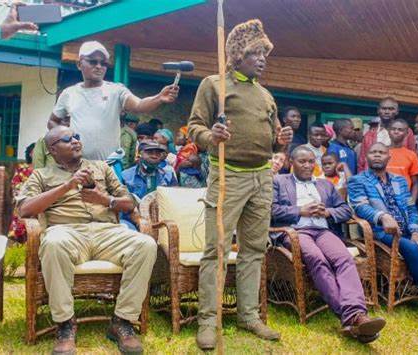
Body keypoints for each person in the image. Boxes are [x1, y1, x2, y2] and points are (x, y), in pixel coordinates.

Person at [188, 19, 293, 350]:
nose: (262, 58)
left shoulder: (265, 95)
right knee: (216, 249)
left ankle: (248, 316)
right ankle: (208, 319)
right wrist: (210, 135)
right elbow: (194, 127)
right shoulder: (214, 85)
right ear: (236, 54)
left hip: (262, 178)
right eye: (255, 52)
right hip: (227, 175)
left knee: (254, 250)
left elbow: (274, 140)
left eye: (265, 53)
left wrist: (281, 140)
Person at [16, 126, 158, 355]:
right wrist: (67, 186)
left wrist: (105, 199)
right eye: (67, 139)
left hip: (107, 232)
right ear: (52, 149)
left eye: (77, 137)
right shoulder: (41, 175)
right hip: (66, 231)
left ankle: (122, 321)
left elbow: (130, 204)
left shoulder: (102, 168)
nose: (75, 141)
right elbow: (24, 209)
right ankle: (65, 324)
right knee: (53, 244)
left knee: (146, 245)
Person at [271, 145, 386, 342]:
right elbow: (271, 210)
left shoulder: (325, 185)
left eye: (310, 161)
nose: (307, 165)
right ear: (291, 162)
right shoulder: (279, 181)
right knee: (317, 259)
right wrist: (300, 211)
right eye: (302, 161)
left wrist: (327, 213)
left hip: (323, 231)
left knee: (343, 259)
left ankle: (355, 317)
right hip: (295, 231)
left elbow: (346, 210)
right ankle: (354, 317)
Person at [348, 143, 418, 324]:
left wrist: (416, 232)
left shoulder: (399, 181)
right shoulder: (357, 181)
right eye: (373, 152)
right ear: (366, 157)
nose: (377, 155)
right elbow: (360, 207)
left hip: (408, 232)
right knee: (412, 248)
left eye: (381, 152)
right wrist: (382, 217)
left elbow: (411, 208)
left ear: (389, 157)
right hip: (381, 233)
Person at [49, 41, 178, 161]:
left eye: (103, 63)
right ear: (79, 64)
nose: (99, 67)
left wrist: (159, 98)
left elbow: (139, 105)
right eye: (93, 62)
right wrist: (63, 141)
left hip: (109, 167)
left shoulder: (116, 90)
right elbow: (52, 121)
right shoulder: (69, 93)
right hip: (77, 166)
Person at [358, 97, 417, 172]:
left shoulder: (406, 132)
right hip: (372, 178)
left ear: (397, 111)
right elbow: (362, 162)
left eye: (391, 109)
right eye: (384, 108)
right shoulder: (369, 135)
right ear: (378, 110)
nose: (387, 111)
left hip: (398, 177)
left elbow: (412, 158)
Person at [386, 119, 418, 202]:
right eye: (393, 129)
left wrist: (411, 204)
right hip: (381, 201)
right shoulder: (381, 152)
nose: (396, 132)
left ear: (406, 133)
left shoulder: (411, 155)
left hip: (402, 201)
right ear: (388, 131)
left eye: (400, 130)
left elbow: (415, 184)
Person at [8, 143, 35, 243]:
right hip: (24, 201)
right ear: (30, 154)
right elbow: (16, 186)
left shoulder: (45, 170)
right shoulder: (22, 169)